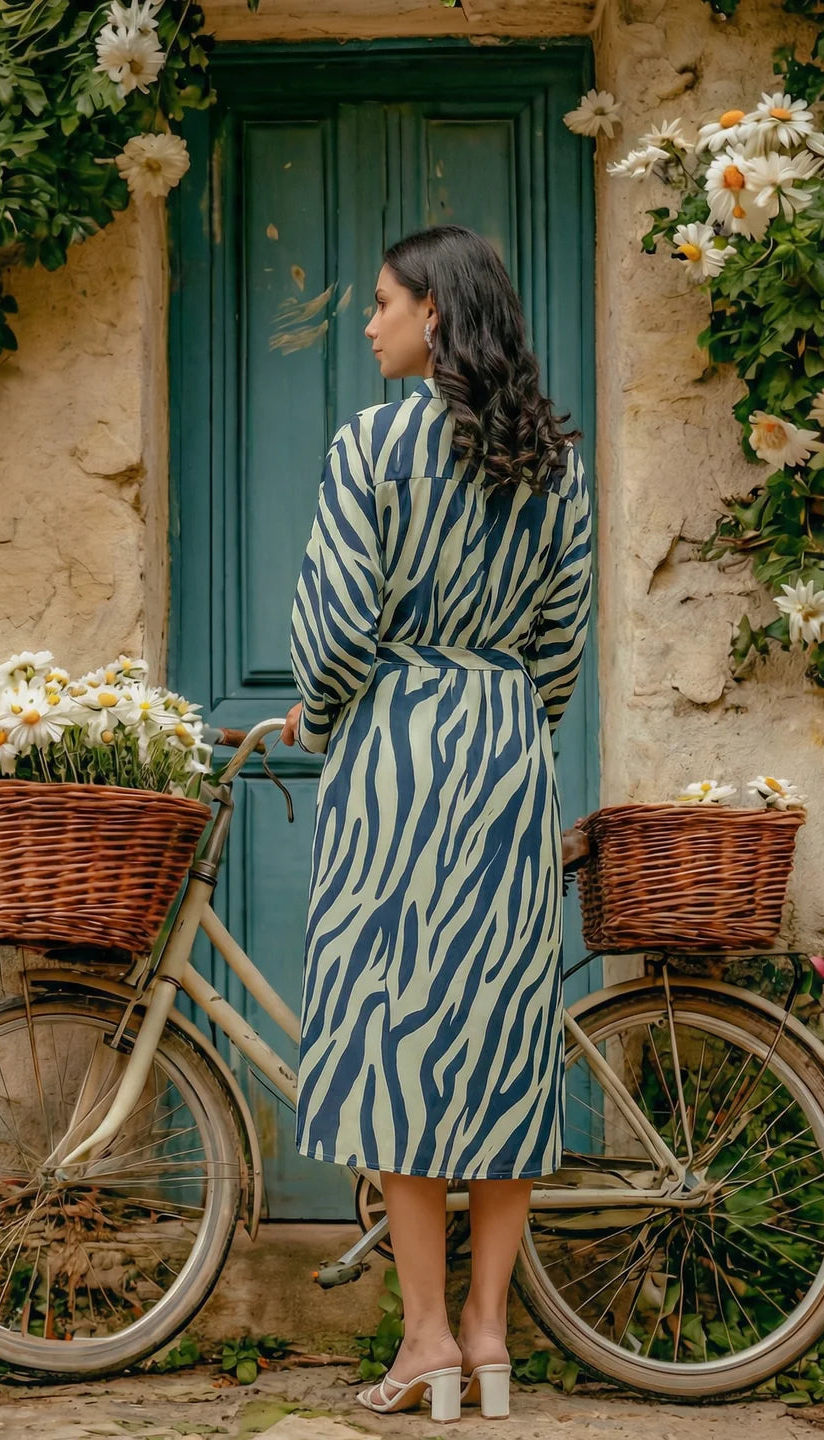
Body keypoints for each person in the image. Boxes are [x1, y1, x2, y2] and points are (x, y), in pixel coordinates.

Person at [280, 224, 593, 1424]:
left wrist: (315, 716)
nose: (367, 325)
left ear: (437, 317)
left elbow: (339, 626)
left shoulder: (372, 445)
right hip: (508, 750)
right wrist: (515, 714)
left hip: (396, 751)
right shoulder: (554, 461)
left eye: (381, 305)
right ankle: (488, 1340)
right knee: (503, 1053)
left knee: (396, 1042)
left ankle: (423, 1346)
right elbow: (560, 645)